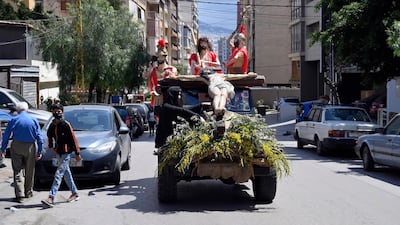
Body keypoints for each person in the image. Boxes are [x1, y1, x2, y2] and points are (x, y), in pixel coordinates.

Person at [0, 102, 43, 203]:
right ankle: (28, 192)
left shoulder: (14, 120)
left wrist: (3, 149)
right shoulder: (33, 120)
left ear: (18, 110)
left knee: (17, 170)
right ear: (26, 109)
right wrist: (39, 151)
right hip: (30, 146)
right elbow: (39, 137)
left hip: (17, 145)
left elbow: (6, 136)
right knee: (29, 170)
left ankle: (19, 194)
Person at [41, 103, 81, 208]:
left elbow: (73, 139)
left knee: (58, 174)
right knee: (66, 174)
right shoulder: (52, 125)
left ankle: (51, 197)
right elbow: (49, 136)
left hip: (66, 152)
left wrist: (77, 153)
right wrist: (51, 146)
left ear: (62, 113)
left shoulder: (66, 124)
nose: (57, 113)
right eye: (55, 111)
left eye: (59, 111)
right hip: (58, 152)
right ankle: (74, 192)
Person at [149, 39, 178, 106]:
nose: (160, 58)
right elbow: (150, 86)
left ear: (165, 57)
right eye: (158, 56)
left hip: (169, 101)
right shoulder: (153, 71)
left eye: (162, 56)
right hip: (157, 102)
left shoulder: (172, 69)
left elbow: (174, 83)